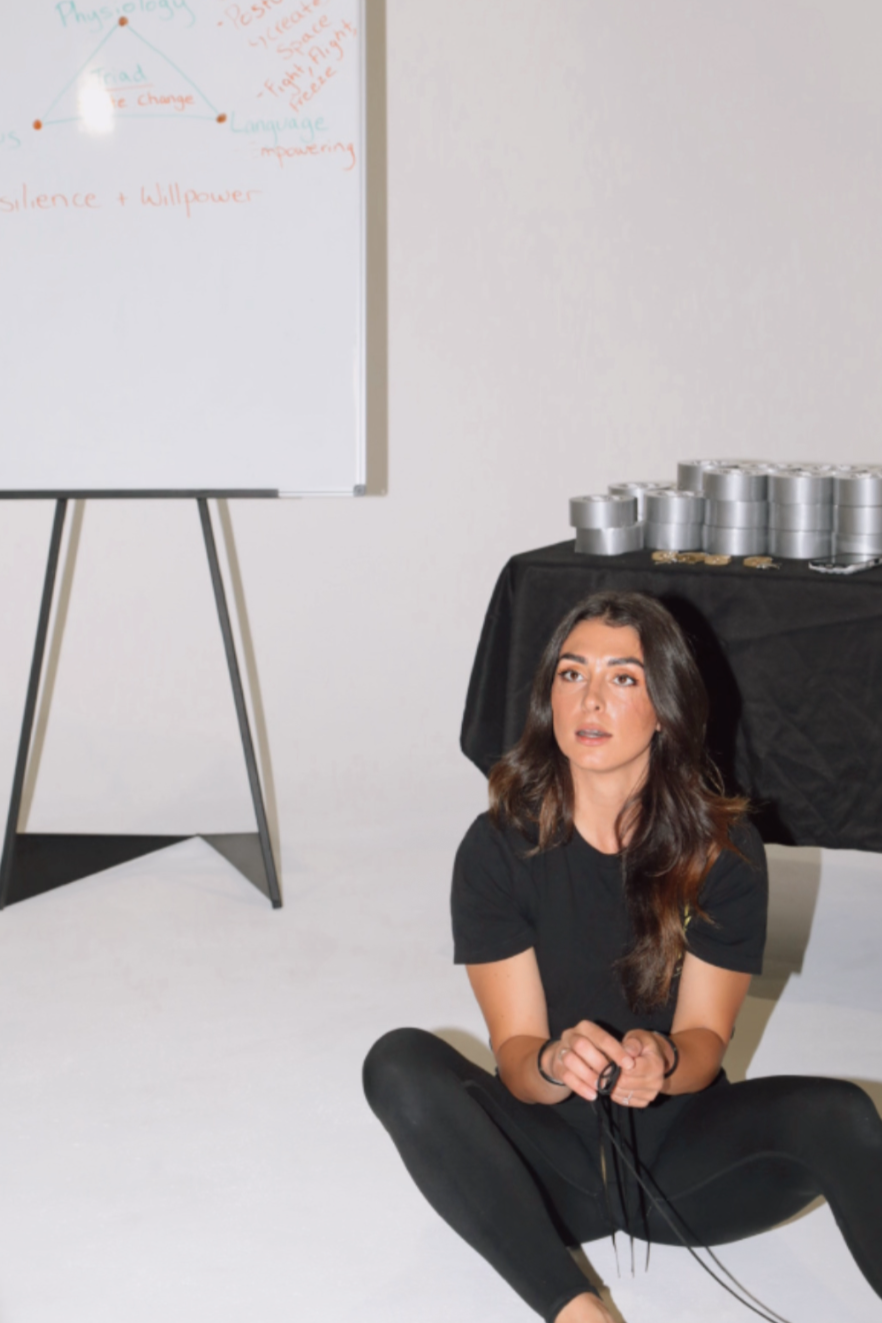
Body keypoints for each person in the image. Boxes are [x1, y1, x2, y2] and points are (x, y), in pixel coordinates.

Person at [363, 591, 882, 1323]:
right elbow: (515, 1053)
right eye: (572, 674)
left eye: (623, 677)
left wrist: (664, 1061)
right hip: (547, 1174)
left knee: (848, 1113)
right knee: (399, 1060)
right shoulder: (498, 847)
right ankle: (580, 1312)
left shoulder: (723, 854)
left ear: (666, 706)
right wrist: (552, 1062)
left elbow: (705, 1039)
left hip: (686, 1165)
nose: (591, 699)